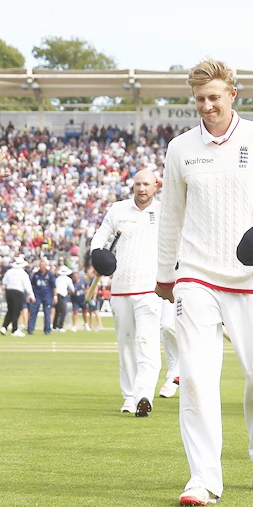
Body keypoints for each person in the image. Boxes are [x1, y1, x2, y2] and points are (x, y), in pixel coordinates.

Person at [155, 59, 253, 506]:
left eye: (215, 97)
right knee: (197, 378)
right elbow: (170, 215)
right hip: (197, 276)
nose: (207, 106)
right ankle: (203, 478)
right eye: (200, 99)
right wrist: (166, 274)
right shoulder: (180, 148)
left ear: (232, 95)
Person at [91, 169, 163, 416]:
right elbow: (99, 238)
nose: (142, 189)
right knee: (126, 345)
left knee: (146, 342)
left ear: (156, 186)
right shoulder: (118, 210)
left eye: (147, 184)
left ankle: (144, 394)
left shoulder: (165, 211)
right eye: (138, 184)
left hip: (150, 291)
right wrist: (98, 257)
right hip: (121, 290)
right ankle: (129, 397)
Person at [0, 256, 35, 337]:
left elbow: (4, 282)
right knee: (16, 311)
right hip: (18, 292)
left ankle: (4, 327)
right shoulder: (23, 273)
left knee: (10, 310)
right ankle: (14, 329)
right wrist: (32, 295)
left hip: (9, 291)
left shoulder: (9, 272)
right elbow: (27, 285)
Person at [27, 259, 56, 335]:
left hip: (47, 296)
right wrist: (30, 294)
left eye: (43, 266)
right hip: (37, 295)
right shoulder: (36, 274)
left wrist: (55, 296)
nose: (42, 267)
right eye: (40, 266)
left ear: (46, 266)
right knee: (34, 312)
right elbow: (32, 285)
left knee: (47, 313)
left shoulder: (50, 274)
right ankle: (30, 329)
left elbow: (54, 286)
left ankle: (47, 330)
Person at [53, 264, 73, 332]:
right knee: (63, 312)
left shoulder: (57, 279)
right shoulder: (68, 279)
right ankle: (60, 326)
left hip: (56, 295)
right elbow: (72, 289)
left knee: (57, 312)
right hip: (62, 296)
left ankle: (54, 326)